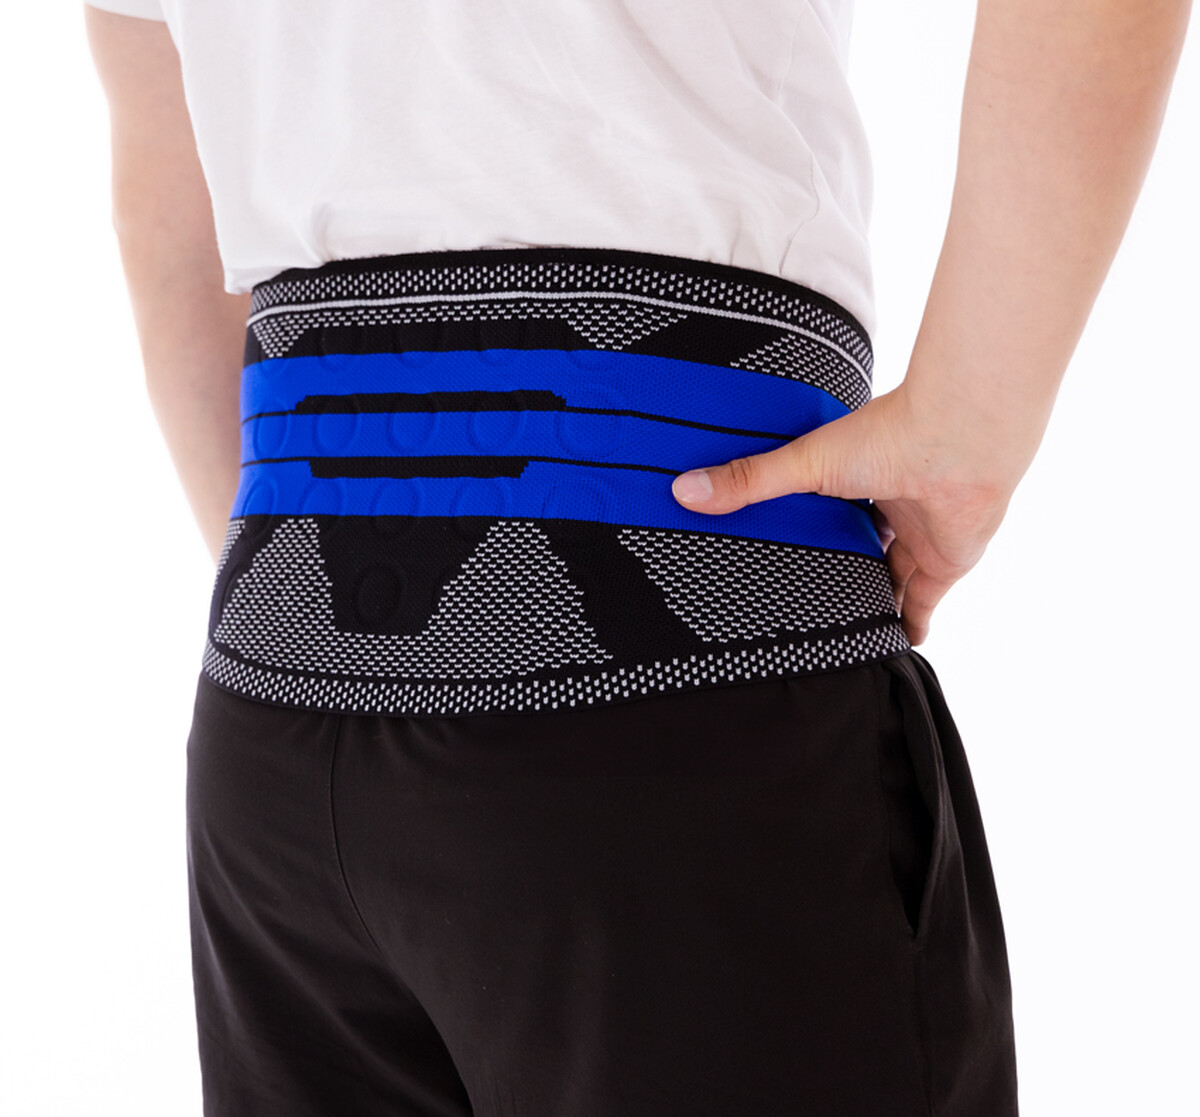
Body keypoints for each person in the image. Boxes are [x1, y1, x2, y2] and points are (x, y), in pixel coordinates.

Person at [82, 2, 1191, 1115]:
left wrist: (324, 601)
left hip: (274, 726)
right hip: (681, 679)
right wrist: (969, 431)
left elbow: (162, 174)